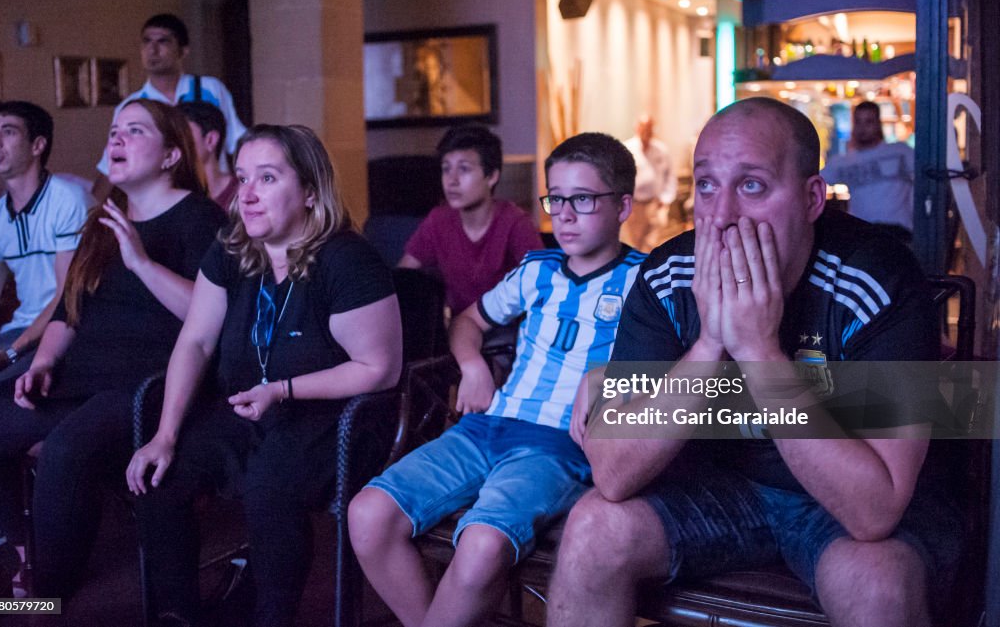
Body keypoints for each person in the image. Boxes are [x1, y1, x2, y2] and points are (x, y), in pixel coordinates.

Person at [547, 98, 960, 627]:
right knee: (591, 531)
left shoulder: (875, 281)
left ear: (812, 198)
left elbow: (873, 511)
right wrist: (710, 343)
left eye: (752, 186)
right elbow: (612, 472)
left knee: (877, 583)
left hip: (837, 508)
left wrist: (759, 349)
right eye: (707, 185)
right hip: (716, 491)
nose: (720, 217)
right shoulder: (668, 275)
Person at [349, 132, 646, 627]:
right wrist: (472, 366)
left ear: (622, 206)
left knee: (483, 541)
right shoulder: (537, 271)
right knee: (367, 514)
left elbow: (682, 370)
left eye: (584, 199)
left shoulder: (646, 281)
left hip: (558, 448)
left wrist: (609, 380)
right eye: (556, 198)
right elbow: (468, 319)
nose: (565, 214)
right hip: (487, 427)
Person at [126, 124, 402, 627]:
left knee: (269, 490)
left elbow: (379, 369)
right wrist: (164, 436)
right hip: (249, 406)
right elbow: (196, 340)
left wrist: (283, 389)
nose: (246, 195)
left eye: (267, 179)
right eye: (242, 178)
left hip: (334, 416)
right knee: (162, 475)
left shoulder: (346, 261)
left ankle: (268, 616)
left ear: (311, 193)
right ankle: (179, 615)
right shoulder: (233, 251)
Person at [0, 98, 225, 597]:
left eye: (134, 131)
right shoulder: (103, 220)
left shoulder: (199, 219)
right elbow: (70, 311)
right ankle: (27, 548)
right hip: (81, 374)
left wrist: (142, 264)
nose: (116, 138)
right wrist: (43, 360)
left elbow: (210, 318)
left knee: (66, 450)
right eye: (115, 130)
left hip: (149, 381)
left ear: (172, 155)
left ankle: (47, 595)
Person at [0, 101, 92, 387]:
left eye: (8, 132)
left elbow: (68, 297)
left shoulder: (68, 200)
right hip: (16, 331)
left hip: (65, 331)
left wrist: (16, 349)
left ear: (37, 145)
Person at [398, 125, 542, 314]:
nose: (452, 180)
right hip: (457, 326)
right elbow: (403, 277)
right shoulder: (438, 220)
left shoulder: (515, 222)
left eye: (464, 169)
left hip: (507, 328)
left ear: (491, 176)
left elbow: (543, 285)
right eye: (446, 169)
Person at [96, 13, 246, 175]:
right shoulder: (132, 106)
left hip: (212, 194)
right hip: (161, 196)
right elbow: (111, 166)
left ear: (183, 50)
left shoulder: (210, 89)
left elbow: (237, 142)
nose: (152, 50)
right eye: (147, 41)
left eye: (163, 42)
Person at [821, 100, 915, 241]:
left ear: (878, 123)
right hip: (862, 232)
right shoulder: (842, 162)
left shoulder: (900, 151)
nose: (862, 128)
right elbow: (813, 181)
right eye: (858, 122)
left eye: (868, 121)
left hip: (897, 232)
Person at [620, 114, 676, 251]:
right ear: (637, 129)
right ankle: (634, 269)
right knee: (633, 243)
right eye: (643, 128)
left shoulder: (661, 150)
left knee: (652, 242)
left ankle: (648, 269)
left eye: (649, 129)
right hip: (634, 206)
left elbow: (670, 176)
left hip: (654, 204)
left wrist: (666, 198)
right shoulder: (627, 149)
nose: (646, 132)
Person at [178, 100, 237, 212]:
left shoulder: (242, 194)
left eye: (182, 136)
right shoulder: (172, 198)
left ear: (210, 140)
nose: (174, 145)